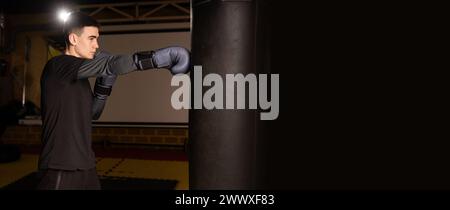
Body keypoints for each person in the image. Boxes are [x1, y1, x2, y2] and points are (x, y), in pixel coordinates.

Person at [37, 12, 190, 190]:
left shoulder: (80, 79)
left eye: (97, 39)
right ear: (73, 39)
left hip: (86, 164)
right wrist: (159, 58)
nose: (96, 45)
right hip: (59, 165)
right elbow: (110, 64)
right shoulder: (57, 66)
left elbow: (92, 114)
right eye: (91, 38)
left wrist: (103, 88)